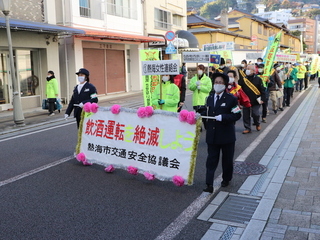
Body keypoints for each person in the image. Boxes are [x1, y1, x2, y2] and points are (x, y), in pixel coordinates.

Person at [201, 73, 242, 193]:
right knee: (211, 160)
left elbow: (237, 114)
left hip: (226, 136)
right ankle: (209, 184)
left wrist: (223, 117)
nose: (217, 84)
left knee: (227, 160)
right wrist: (200, 113)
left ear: (225, 85)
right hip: (212, 135)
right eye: (216, 82)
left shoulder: (231, 99)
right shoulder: (209, 97)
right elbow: (207, 112)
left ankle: (226, 179)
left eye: (220, 82)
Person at [238, 64, 266, 133]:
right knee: (246, 115)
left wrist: (263, 99)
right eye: (246, 69)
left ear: (253, 71)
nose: (246, 70)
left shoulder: (258, 79)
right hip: (246, 100)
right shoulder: (243, 79)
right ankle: (247, 128)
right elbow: (239, 89)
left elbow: (262, 90)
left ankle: (257, 123)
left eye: (248, 69)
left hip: (255, 100)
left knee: (255, 113)